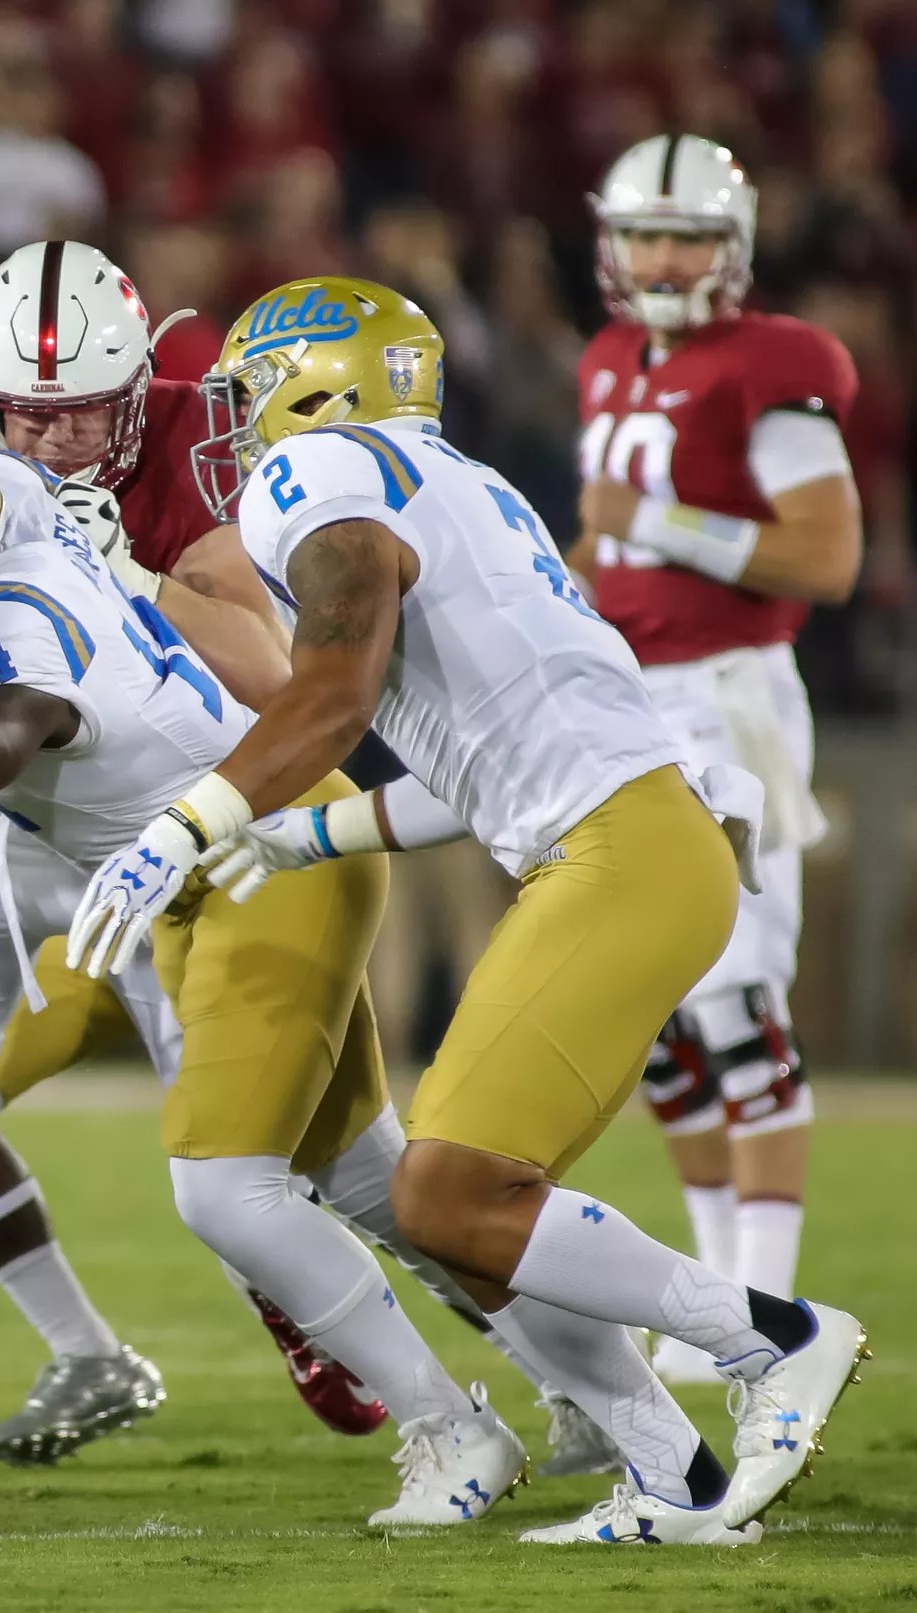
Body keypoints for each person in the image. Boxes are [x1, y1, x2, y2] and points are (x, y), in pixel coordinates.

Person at [104, 275, 866, 1545]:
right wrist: (308, 830)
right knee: (476, 1223)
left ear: (318, 380)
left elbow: (333, 691)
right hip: (624, 836)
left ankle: (772, 1336)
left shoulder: (325, 471)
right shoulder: (456, 482)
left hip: (617, 850)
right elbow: (487, 771)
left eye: (247, 393)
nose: (235, 427)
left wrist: (192, 817)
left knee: (440, 1193)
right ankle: (670, 1478)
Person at [0, 390, 532, 1525]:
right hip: (169, 858)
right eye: (23, 412)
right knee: (368, 1178)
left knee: (230, 1189)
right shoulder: (0, 508)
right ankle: (624, 1385)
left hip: (222, 859)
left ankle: (453, 1422)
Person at [569, 136, 859, 1387]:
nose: (664, 258)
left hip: (725, 701)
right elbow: (604, 553)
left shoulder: (772, 364)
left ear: (730, 245)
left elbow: (823, 558)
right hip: (627, 700)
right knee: (664, 1028)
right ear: (611, 241)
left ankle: (771, 1308)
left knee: (738, 1008)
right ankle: (712, 1306)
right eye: (646, 234)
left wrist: (659, 525)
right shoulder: (604, 360)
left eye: (686, 235)